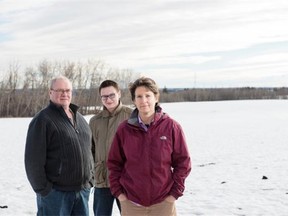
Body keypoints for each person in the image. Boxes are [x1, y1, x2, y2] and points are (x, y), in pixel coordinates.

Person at [107, 77, 191, 216]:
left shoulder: (171, 127)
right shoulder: (124, 129)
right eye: (139, 96)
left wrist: (174, 194)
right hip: (132, 204)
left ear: (156, 97)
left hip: (163, 203)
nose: (143, 100)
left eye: (148, 95)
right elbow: (114, 163)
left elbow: (183, 163)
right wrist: (120, 194)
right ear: (134, 100)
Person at [24, 75, 94, 216]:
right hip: (56, 195)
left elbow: (91, 149)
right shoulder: (43, 120)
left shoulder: (79, 118)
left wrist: (91, 179)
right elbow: (33, 160)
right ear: (50, 92)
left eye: (68, 90)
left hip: (82, 192)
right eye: (60, 90)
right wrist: (45, 190)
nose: (64, 94)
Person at [89, 80, 133, 216]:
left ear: (119, 94)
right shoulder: (95, 121)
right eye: (104, 97)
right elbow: (91, 150)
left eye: (112, 95)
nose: (108, 100)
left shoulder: (131, 116)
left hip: (126, 180)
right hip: (102, 181)